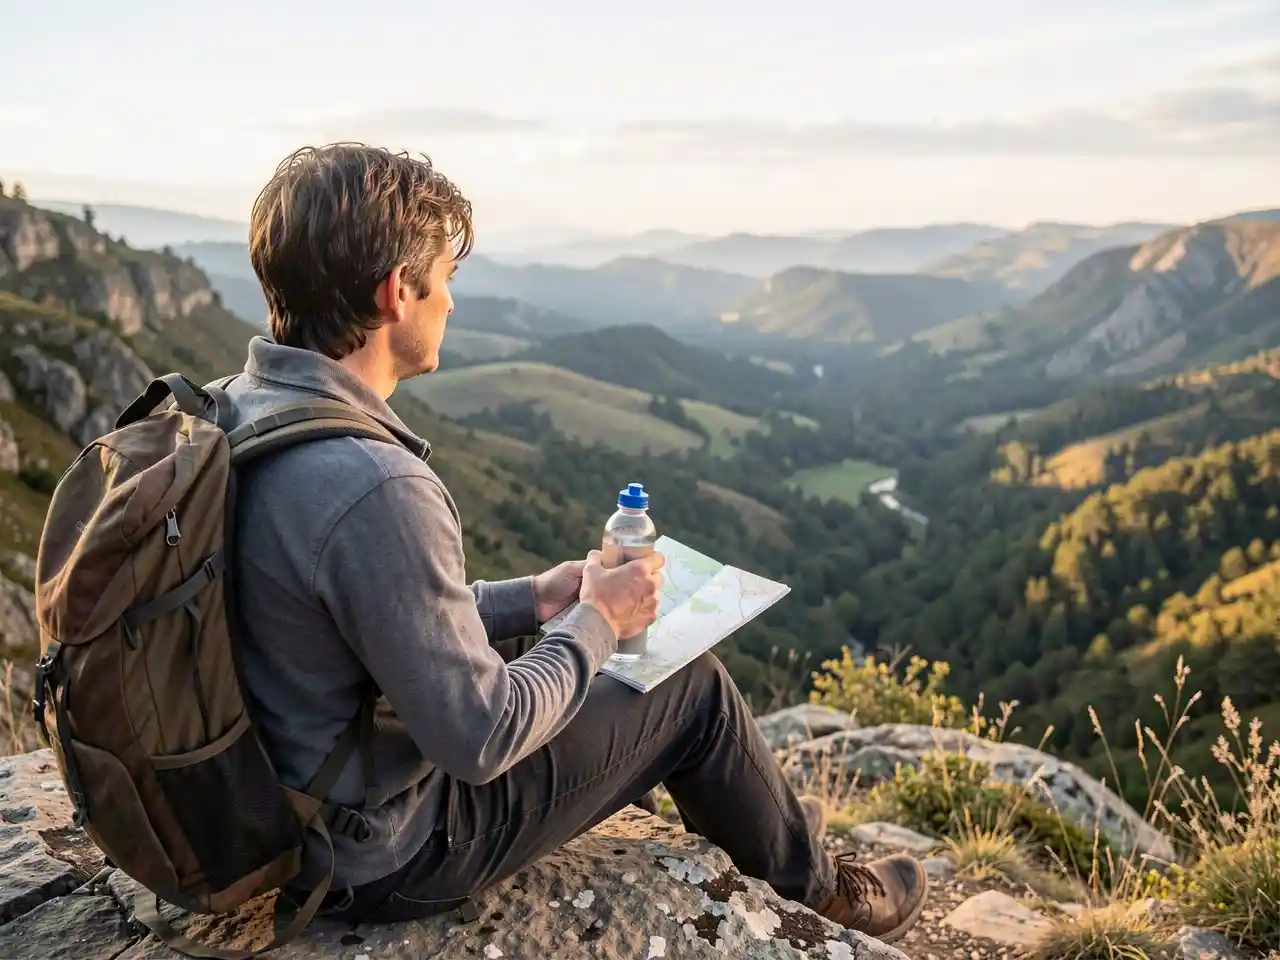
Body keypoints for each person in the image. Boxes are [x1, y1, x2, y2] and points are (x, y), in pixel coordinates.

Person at [220, 143, 928, 943]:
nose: (451, 303)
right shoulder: (375, 484)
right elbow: (480, 738)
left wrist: (537, 598)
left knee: (550, 638)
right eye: (445, 280)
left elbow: (361, 613)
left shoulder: (240, 410)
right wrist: (595, 619)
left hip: (273, 791)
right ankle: (819, 891)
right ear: (396, 294)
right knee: (688, 688)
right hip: (379, 852)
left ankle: (757, 811)